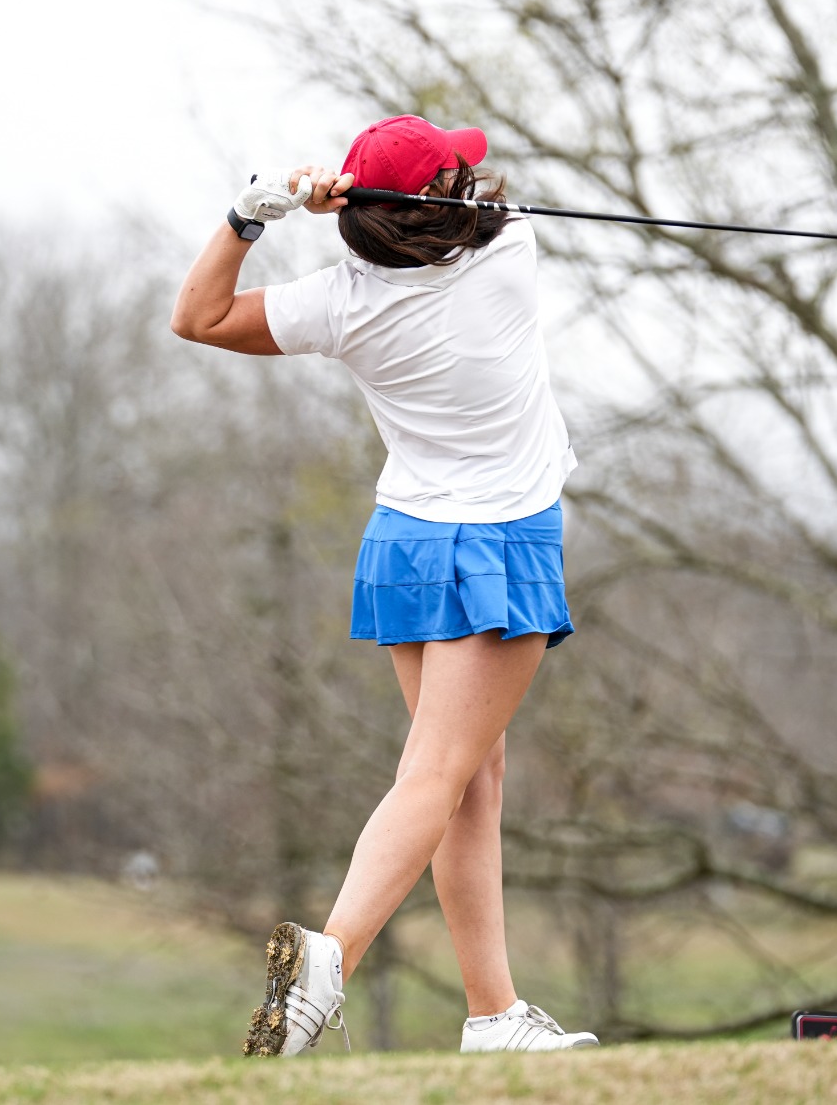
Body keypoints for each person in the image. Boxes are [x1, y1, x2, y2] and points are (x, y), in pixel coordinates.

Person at [170, 115, 597, 1056]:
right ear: (441, 202)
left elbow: (196, 316)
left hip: (405, 540)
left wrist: (258, 212)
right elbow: (489, 211)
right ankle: (329, 965)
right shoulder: (511, 254)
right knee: (439, 775)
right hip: (501, 541)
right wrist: (373, 201)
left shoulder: (340, 301)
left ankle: (494, 1016)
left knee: (466, 780)